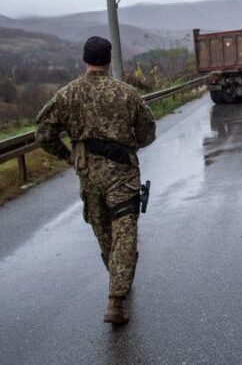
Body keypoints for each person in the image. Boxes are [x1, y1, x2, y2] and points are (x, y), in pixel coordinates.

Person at [36, 36, 156, 325]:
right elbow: (148, 131)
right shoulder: (126, 93)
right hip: (123, 174)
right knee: (125, 233)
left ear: (84, 59)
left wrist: (67, 156)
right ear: (109, 60)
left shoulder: (68, 95)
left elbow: (43, 134)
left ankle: (117, 278)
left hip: (89, 175)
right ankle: (116, 300)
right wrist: (131, 147)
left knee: (104, 233)